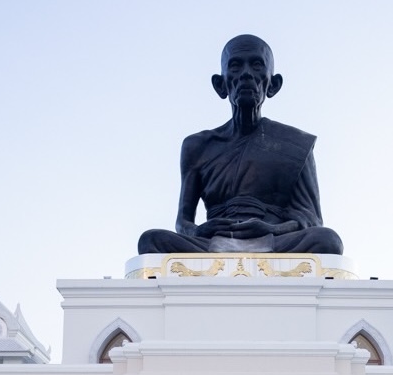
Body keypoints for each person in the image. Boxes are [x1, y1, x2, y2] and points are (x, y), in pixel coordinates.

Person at [137, 34, 342, 256]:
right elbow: (183, 222)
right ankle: (230, 250)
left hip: (273, 240)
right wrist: (198, 231)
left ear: (273, 84)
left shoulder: (295, 143)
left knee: (328, 240)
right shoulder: (197, 146)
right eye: (235, 66)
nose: (246, 74)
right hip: (214, 241)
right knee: (150, 240)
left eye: (256, 65)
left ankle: (253, 250)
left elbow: (311, 219)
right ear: (220, 84)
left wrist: (272, 228)